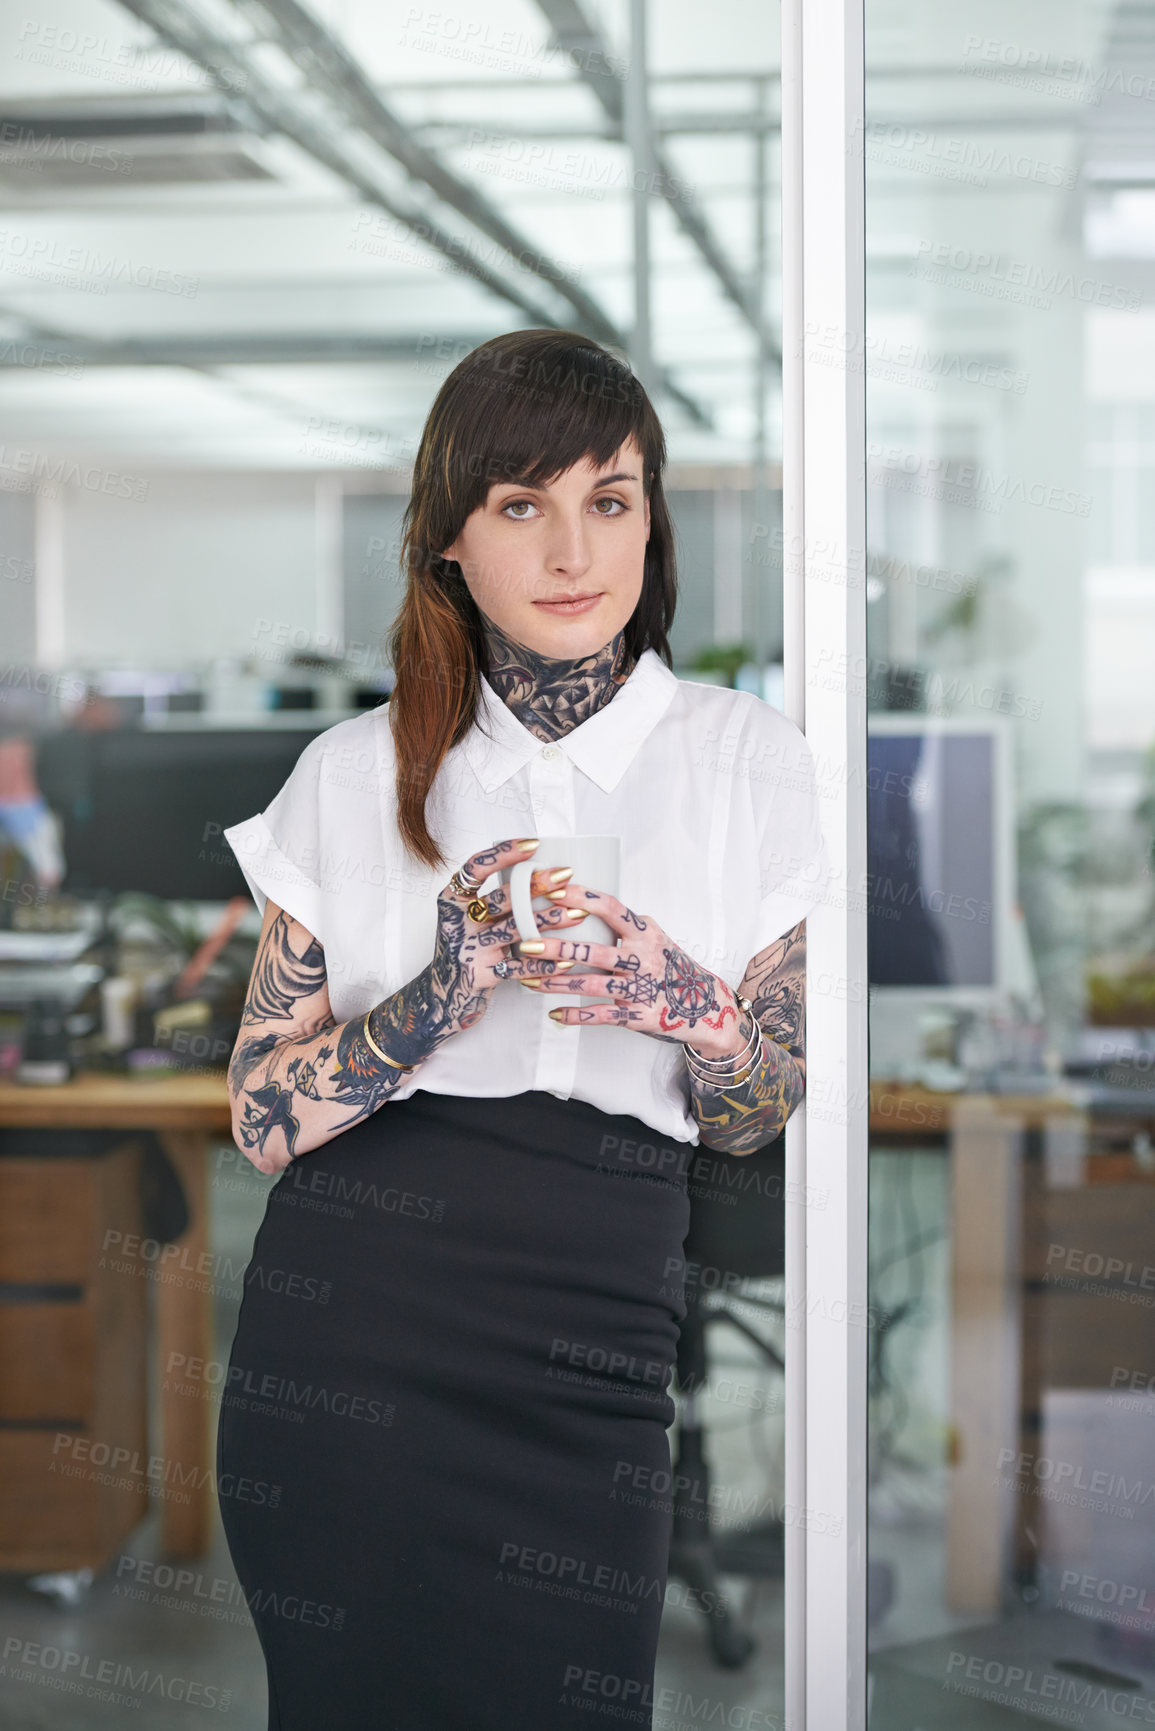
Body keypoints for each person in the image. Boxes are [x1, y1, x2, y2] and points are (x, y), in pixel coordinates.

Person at [217, 328, 827, 1731]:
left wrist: (695, 1011)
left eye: (609, 499)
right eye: (521, 505)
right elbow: (260, 1118)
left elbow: (757, 1108)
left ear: (651, 522)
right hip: (352, 1347)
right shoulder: (352, 773)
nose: (573, 547)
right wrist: (442, 992)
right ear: (450, 542)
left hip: (595, 1342)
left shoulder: (749, 763)